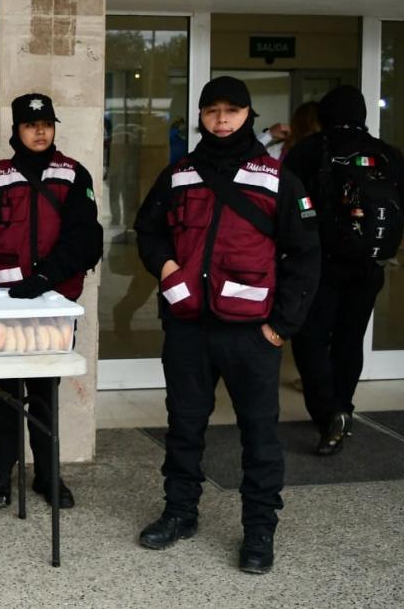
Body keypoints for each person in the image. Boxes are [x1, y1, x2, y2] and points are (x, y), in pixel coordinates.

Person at [133, 76, 320, 574]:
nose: (221, 120)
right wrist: (166, 268)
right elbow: (148, 230)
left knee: (259, 434)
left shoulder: (277, 178)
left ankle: (259, 529)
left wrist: (281, 328)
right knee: (184, 426)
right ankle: (180, 512)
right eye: (212, 110)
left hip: (252, 332)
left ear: (247, 115)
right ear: (200, 115)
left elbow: (305, 256)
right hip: (188, 327)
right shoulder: (179, 174)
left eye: (231, 111)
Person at [0, 93, 102, 509]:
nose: (40, 132)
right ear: (16, 130)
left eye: (46, 124)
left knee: (44, 393)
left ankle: (47, 476)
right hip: (2, 305)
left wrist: (45, 278)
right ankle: (0, 476)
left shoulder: (73, 175)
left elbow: (85, 239)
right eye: (30, 125)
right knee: (3, 393)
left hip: (52, 304)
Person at [283, 85, 404, 456]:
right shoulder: (387, 153)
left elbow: (286, 204)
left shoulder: (309, 150)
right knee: (349, 337)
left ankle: (328, 413)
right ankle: (343, 407)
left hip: (318, 264)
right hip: (367, 265)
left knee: (311, 338)